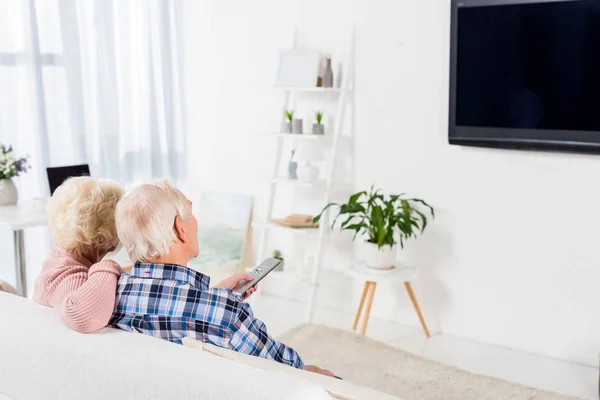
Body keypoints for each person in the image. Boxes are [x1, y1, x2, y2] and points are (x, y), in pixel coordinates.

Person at [111, 179, 334, 377]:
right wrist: (317, 374)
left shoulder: (108, 296)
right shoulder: (225, 313)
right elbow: (284, 367)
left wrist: (213, 294)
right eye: (191, 213)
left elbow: (168, 306)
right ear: (180, 229)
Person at [33, 177, 125, 333]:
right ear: (107, 240)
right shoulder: (66, 272)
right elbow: (81, 316)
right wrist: (108, 267)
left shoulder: (57, 259)